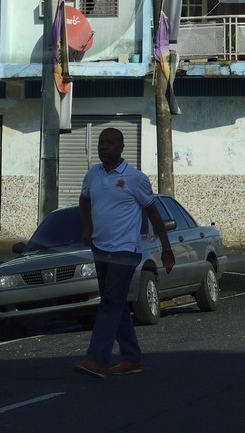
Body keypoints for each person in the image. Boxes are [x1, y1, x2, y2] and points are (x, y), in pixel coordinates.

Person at [73, 127, 174, 379]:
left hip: (125, 251)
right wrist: (87, 226)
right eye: (101, 142)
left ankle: (96, 360)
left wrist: (166, 248)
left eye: (110, 143)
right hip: (100, 248)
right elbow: (84, 200)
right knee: (115, 303)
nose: (104, 146)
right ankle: (132, 358)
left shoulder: (135, 178)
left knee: (109, 302)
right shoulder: (93, 175)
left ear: (121, 147)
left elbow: (153, 213)